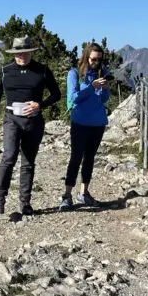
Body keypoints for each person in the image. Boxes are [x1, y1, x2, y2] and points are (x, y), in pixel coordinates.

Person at [0, 36, 61, 217]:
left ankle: (25, 202)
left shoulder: (42, 70)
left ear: (30, 52)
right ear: (14, 53)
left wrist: (39, 105)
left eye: (25, 53)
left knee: (28, 162)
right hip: (12, 118)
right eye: (18, 53)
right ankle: (0, 198)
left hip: (34, 121)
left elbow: (56, 94)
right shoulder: (5, 71)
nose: (22, 56)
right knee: (9, 156)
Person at [61, 43, 111, 210]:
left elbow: (103, 99)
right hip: (80, 122)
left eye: (99, 59)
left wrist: (104, 89)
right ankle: (67, 195)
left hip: (98, 122)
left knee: (89, 158)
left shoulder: (101, 73)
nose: (96, 62)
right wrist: (92, 87)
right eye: (93, 59)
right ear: (86, 57)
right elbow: (74, 97)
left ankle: (84, 192)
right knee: (75, 158)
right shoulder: (74, 74)